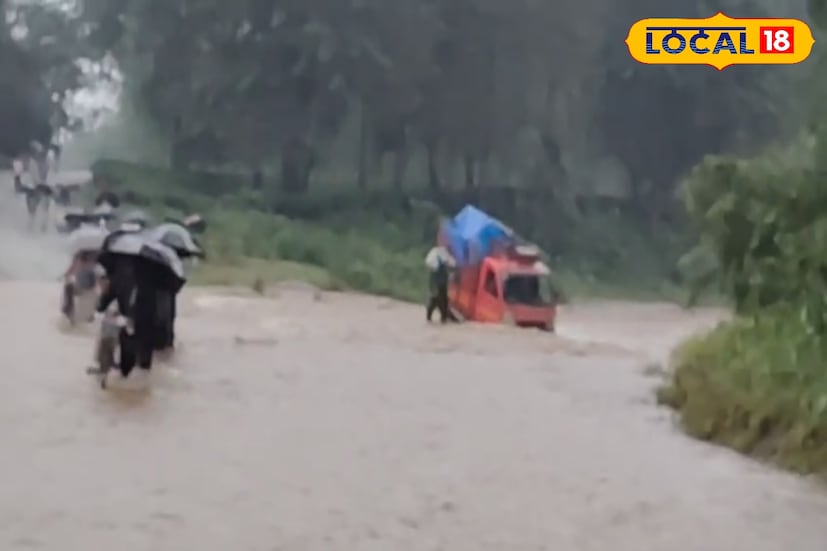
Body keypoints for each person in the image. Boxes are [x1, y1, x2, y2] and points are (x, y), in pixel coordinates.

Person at [96, 255, 160, 389]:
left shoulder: (118, 276)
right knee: (144, 370)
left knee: (126, 370)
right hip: (147, 329)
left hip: (129, 329)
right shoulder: (153, 278)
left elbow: (101, 306)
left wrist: (104, 290)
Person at [425, 244, 456, 323]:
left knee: (441, 298)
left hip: (440, 280)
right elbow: (452, 264)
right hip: (438, 280)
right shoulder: (440, 253)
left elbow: (452, 265)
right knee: (438, 299)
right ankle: (442, 318)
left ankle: (441, 317)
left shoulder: (439, 253)